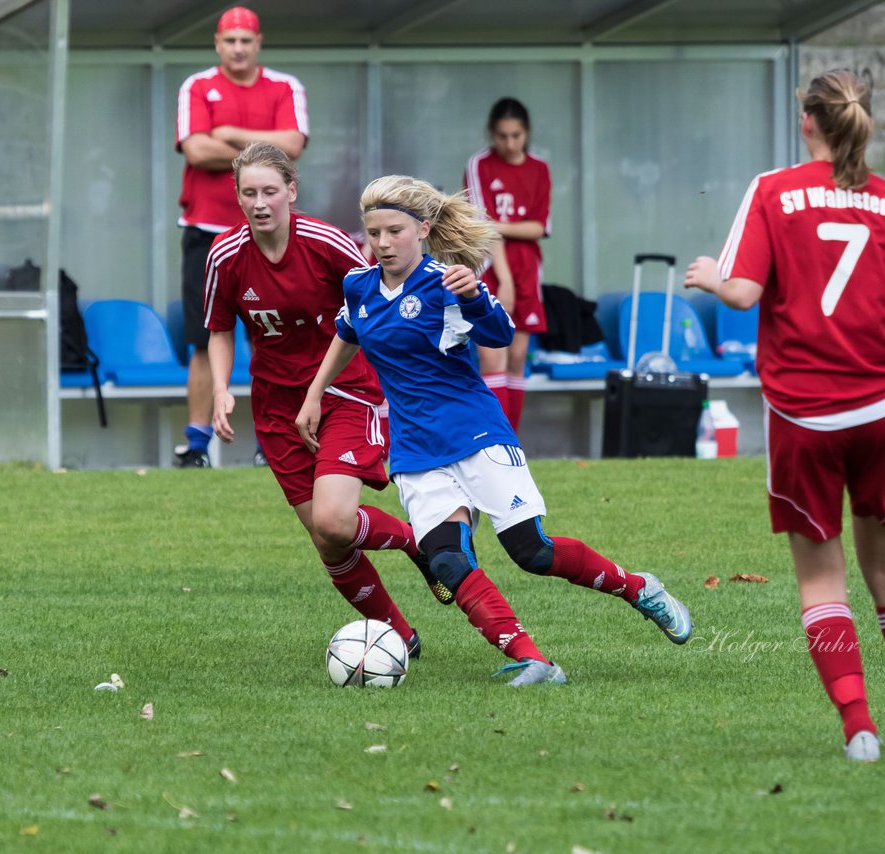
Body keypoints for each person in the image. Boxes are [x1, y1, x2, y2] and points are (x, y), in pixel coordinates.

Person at [296, 175, 693, 687]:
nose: (383, 243)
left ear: (424, 228)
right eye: (373, 233)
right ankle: (535, 661)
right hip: (416, 451)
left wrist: (478, 297)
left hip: (476, 434)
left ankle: (639, 588)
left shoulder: (447, 284)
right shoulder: (361, 285)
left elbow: (501, 334)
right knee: (445, 560)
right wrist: (314, 393)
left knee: (533, 551)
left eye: (394, 231)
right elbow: (348, 331)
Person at [685, 70, 885, 762]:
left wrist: (710, 273)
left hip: (805, 411)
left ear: (808, 121)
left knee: (821, 577)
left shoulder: (773, 189)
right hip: (882, 404)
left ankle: (860, 727)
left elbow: (743, 293)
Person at [206, 142, 445, 658]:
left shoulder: (328, 242)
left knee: (335, 520)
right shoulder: (225, 256)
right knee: (328, 541)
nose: (260, 202)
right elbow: (220, 329)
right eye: (249, 193)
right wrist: (222, 389)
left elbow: (378, 301)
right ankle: (399, 638)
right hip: (275, 409)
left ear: (292, 190)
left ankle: (414, 542)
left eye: (270, 190)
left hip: (346, 392)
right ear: (238, 197)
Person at [175, 5, 309, 467]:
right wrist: (260, 148)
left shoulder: (284, 86)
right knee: (203, 335)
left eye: (245, 40)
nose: (237, 48)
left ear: (258, 43)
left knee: (273, 336)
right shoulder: (197, 85)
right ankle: (196, 444)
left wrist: (228, 134)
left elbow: (291, 147)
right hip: (207, 232)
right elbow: (195, 147)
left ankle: (269, 442)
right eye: (229, 40)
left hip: (271, 234)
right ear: (217, 43)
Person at [464, 97, 551, 429]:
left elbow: (538, 227)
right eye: (502, 136)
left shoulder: (540, 168)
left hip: (527, 268)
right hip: (489, 267)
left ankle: (513, 442)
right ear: (492, 133)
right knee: (491, 356)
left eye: (516, 135)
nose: (510, 143)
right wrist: (505, 278)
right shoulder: (479, 165)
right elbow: (480, 226)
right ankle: (494, 440)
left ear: (526, 133)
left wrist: (497, 224)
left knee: (517, 357)